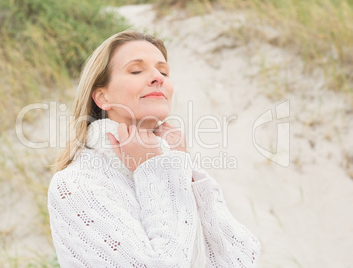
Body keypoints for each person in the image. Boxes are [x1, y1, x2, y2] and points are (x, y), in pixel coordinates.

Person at [48, 30, 261, 267]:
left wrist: (183, 167)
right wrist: (156, 171)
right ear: (102, 97)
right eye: (136, 70)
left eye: (164, 71)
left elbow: (242, 258)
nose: (157, 77)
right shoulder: (76, 184)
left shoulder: (174, 164)